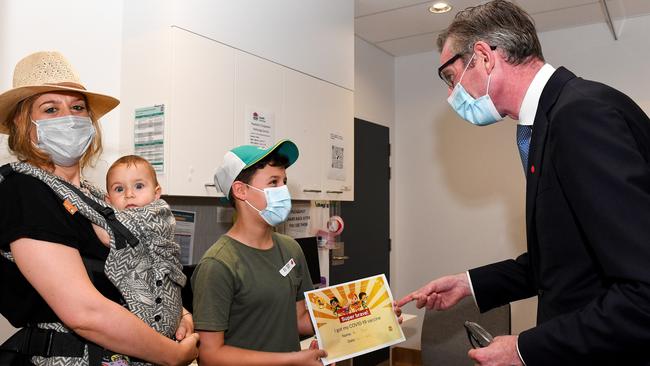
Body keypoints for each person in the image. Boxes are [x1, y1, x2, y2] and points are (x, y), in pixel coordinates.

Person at [397, 1, 650, 365]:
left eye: (450, 77)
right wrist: (468, 284)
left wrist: (523, 349)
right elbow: (564, 260)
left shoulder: (580, 117)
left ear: (483, 56)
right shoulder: (551, 120)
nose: (451, 94)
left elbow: (642, 289)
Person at [0, 51, 198, 365]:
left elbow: (142, 268)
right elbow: (84, 312)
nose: (69, 117)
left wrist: (179, 314)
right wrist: (173, 355)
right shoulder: (24, 189)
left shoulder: (97, 196)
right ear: (25, 125)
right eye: (51, 109)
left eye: (78, 107)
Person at [190, 140, 327, 365]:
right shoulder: (218, 264)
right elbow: (210, 355)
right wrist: (292, 360)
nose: (283, 190)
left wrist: (370, 316)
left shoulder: (291, 249)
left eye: (284, 182)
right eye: (273, 182)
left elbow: (301, 320)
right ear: (241, 191)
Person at [90, 155, 189, 344]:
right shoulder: (122, 216)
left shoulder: (157, 212)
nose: (129, 194)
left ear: (156, 193)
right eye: (119, 189)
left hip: (161, 308)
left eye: (139, 186)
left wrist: (89, 212)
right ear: (108, 199)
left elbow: (108, 236)